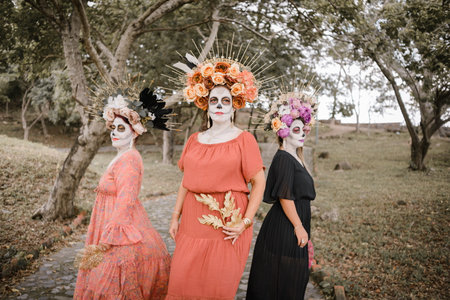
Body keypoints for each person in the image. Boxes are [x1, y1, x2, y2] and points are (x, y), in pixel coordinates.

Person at [165, 56, 266, 299]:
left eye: (225, 100)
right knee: (181, 284)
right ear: (206, 106)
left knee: (216, 289)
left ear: (233, 106)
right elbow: (185, 182)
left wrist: (245, 222)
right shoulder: (194, 140)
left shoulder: (244, 140)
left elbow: (259, 181)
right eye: (214, 100)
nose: (219, 105)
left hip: (227, 224)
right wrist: (175, 216)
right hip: (191, 222)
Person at [74, 87, 172, 299]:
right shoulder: (122, 156)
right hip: (106, 220)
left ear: (134, 132)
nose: (114, 132)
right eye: (113, 128)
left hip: (118, 226)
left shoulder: (129, 159)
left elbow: (126, 200)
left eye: (121, 128)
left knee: (111, 280)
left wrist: (108, 238)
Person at [246, 91, 318, 300]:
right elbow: (286, 197)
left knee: (292, 280)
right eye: (296, 130)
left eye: (303, 129)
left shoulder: (296, 157)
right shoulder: (285, 158)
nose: (302, 134)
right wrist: (298, 226)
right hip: (285, 228)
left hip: (293, 224)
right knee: (285, 281)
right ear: (284, 132)